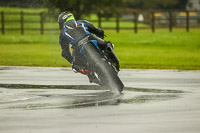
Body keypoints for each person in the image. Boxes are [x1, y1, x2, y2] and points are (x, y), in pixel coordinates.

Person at [58, 11, 114, 83]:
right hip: (90, 38)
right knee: (107, 44)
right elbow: (97, 30)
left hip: (78, 47)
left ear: (61, 22)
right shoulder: (82, 22)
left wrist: (72, 60)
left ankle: (90, 75)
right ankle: (111, 59)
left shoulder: (62, 34)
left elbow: (65, 52)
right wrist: (101, 36)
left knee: (75, 66)